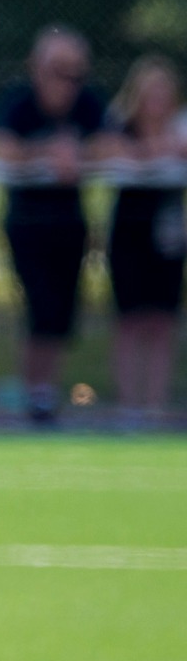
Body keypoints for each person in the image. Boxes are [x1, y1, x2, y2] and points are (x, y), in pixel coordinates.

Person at [0, 26, 112, 424]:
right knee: (37, 305)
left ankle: (48, 392)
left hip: (70, 221)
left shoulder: (88, 104)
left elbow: (108, 144)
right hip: (26, 222)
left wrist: (78, 153)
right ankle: (32, 393)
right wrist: (48, 151)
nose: (66, 82)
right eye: (57, 70)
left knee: (62, 310)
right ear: (37, 67)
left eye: (74, 73)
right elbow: (6, 150)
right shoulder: (19, 101)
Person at [105, 56, 185, 419]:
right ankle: (128, 404)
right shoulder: (118, 124)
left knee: (161, 320)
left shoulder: (181, 126)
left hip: (168, 232)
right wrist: (155, 152)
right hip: (130, 229)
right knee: (130, 318)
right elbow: (114, 156)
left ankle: (154, 404)